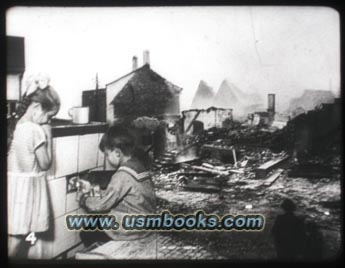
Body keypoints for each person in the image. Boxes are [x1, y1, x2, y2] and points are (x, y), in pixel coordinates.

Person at [7, 76, 60, 259]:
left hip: (15, 187)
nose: (48, 121)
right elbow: (46, 164)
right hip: (27, 191)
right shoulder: (35, 130)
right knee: (17, 239)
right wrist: (48, 132)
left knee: (15, 235)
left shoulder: (19, 125)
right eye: (48, 116)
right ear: (37, 107)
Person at [79, 124, 157, 247]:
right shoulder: (139, 166)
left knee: (87, 230)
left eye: (106, 154)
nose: (106, 159)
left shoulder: (121, 175)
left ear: (117, 153)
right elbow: (122, 194)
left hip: (132, 229)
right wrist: (97, 191)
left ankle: (105, 253)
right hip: (147, 225)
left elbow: (100, 205)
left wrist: (84, 198)